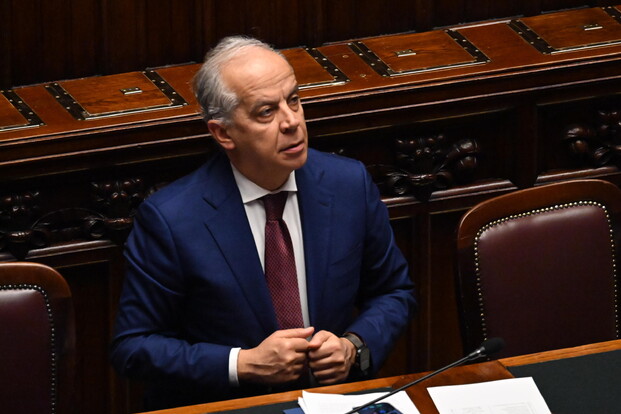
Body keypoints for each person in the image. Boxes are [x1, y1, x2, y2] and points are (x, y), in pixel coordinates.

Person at [110, 35, 416, 410]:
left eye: (294, 100)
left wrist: (353, 346)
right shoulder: (172, 219)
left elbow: (394, 291)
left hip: (330, 402)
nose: (292, 122)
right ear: (223, 132)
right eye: (266, 112)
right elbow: (134, 347)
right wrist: (242, 364)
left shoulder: (348, 185)